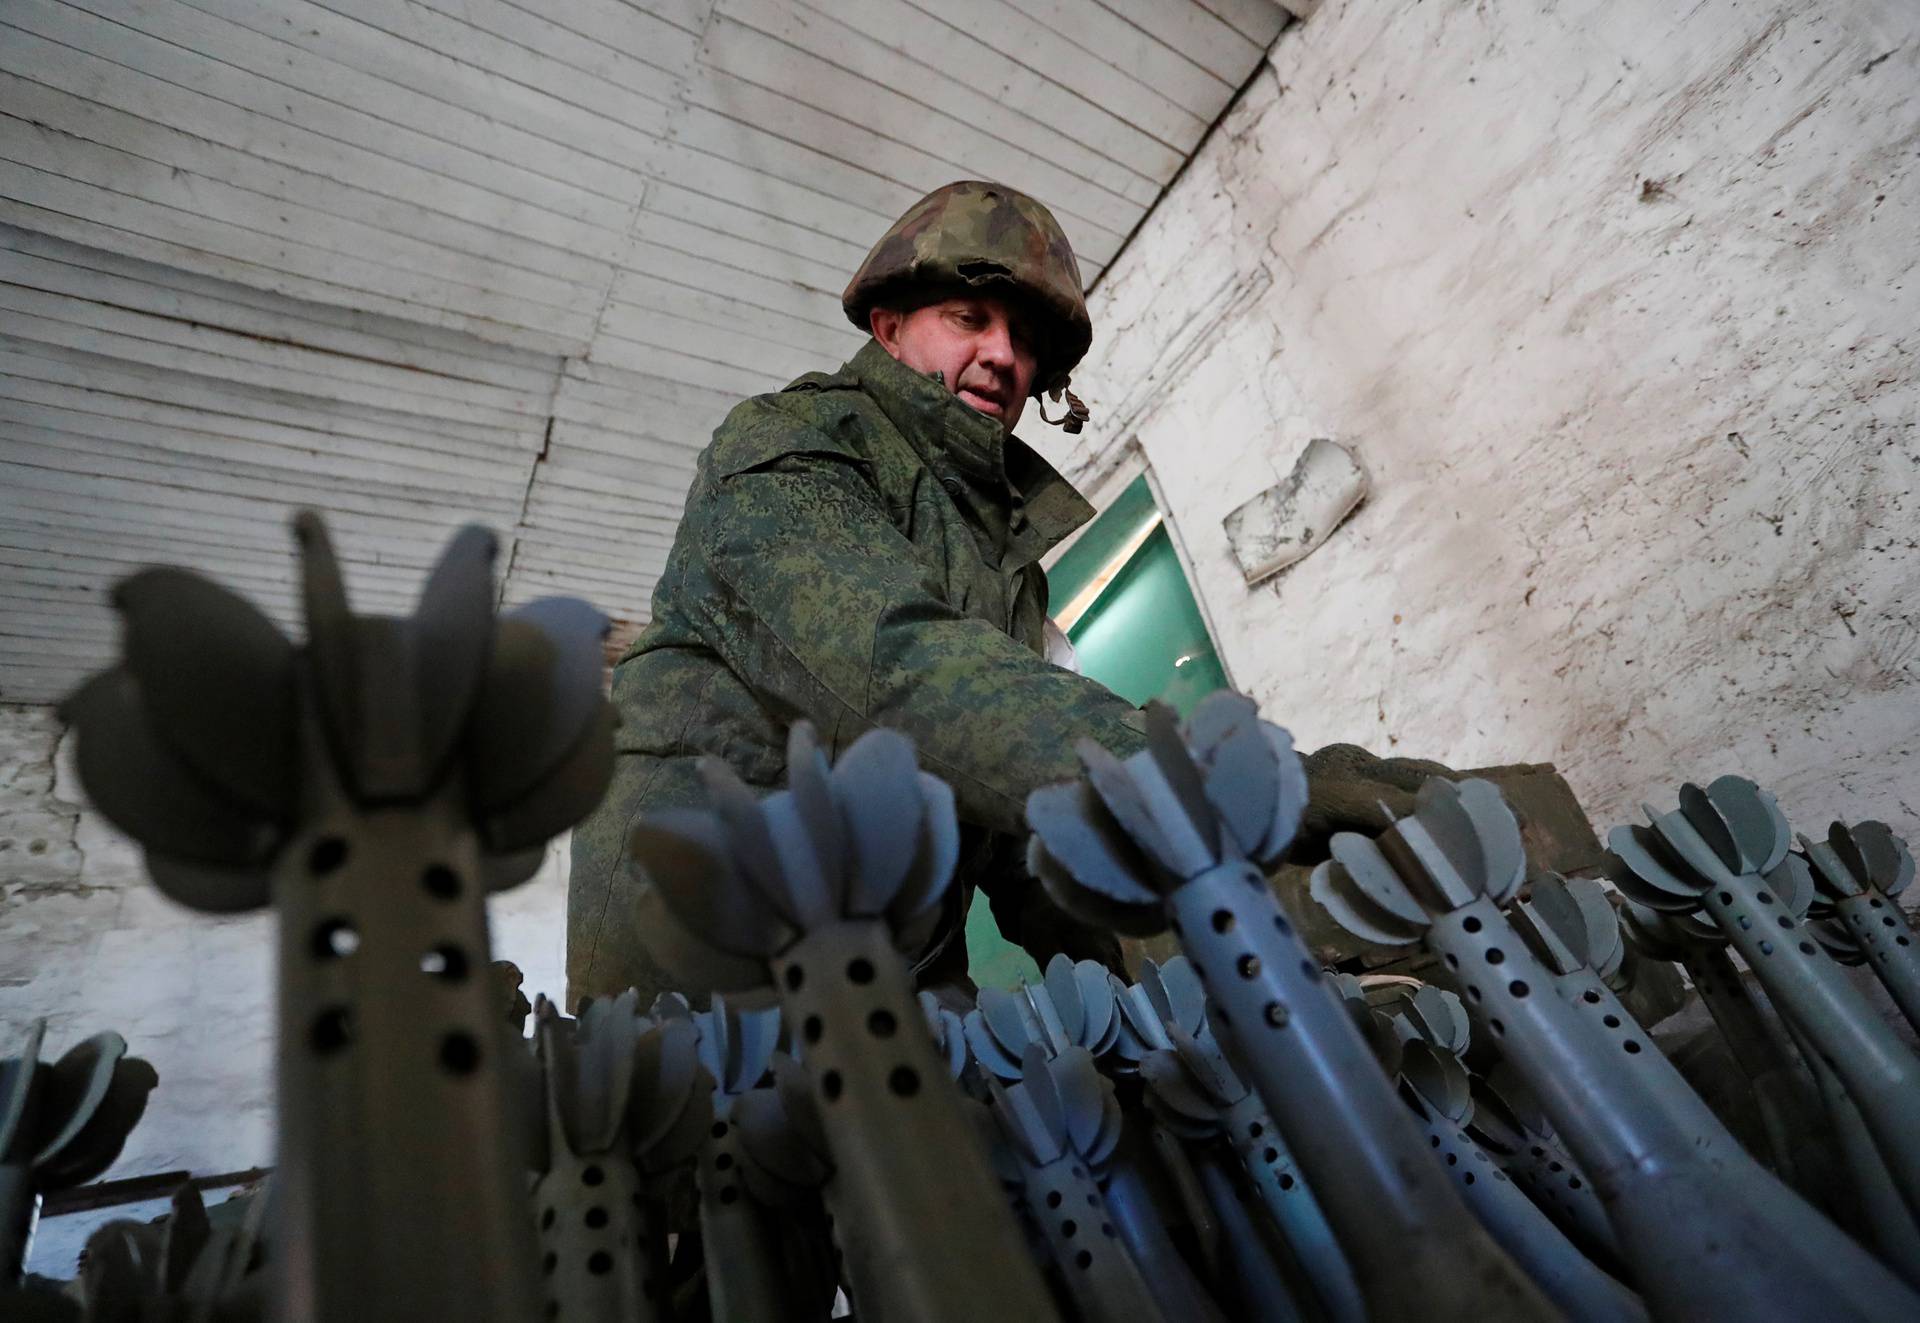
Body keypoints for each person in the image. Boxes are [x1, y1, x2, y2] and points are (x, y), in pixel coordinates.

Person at [567, 180, 1446, 1007]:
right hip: (714, 985)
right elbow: (895, 673)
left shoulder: (1009, 575)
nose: (1003, 356)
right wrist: (1214, 784)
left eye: (1025, 341)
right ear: (888, 326)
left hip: (903, 988)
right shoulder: (789, 442)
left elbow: (1035, 844)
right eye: (970, 319)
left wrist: (1232, 966)